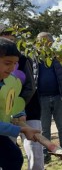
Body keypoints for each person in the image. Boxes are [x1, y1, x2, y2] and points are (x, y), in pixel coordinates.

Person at [0, 24, 45, 170]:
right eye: (7, 63)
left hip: (5, 125)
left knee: (13, 156)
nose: (12, 68)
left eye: (14, 64)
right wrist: (21, 130)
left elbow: (11, 100)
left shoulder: (6, 82)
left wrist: (19, 112)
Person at [36, 32, 62, 164]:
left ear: (51, 43)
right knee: (44, 129)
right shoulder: (35, 59)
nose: (44, 44)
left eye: (46, 41)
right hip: (41, 98)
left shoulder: (60, 57)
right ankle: (45, 155)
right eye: (41, 42)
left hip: (60, 97)